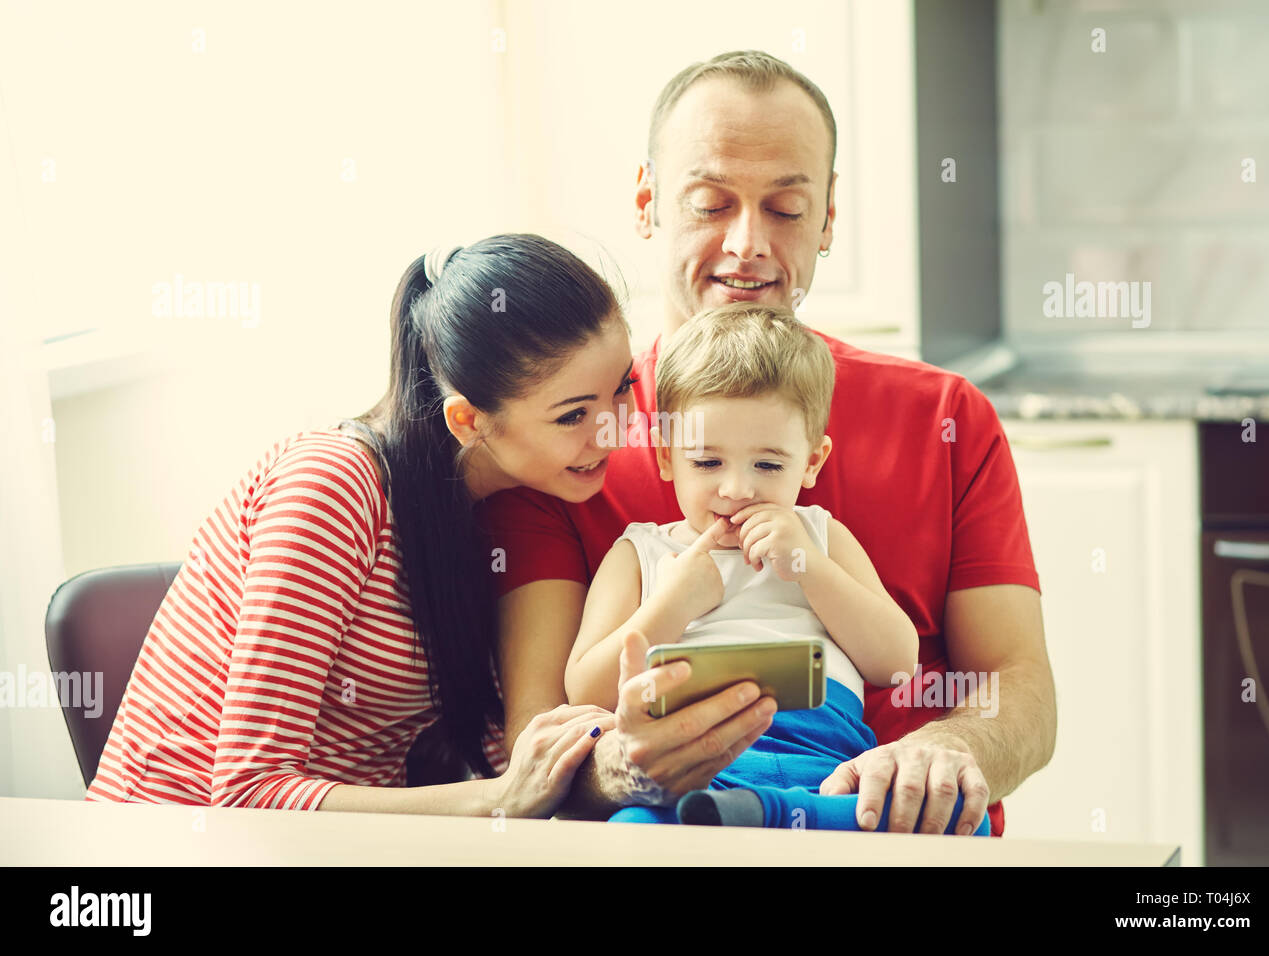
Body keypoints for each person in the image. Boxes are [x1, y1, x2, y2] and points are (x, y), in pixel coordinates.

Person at [477, 51, 1056, 836]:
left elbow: (1018, 687)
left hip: (891, 828)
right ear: (648, 202)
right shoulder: (566, 446)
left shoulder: (947, 416)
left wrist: (948, 746)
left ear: (827, 217)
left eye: (785, 209)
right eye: (710, 203)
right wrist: (629, 770)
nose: (747, 243)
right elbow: (538, 739)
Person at [85, 234, 636, 816]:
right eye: (574, 414)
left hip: (333, 848)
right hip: (176, 839)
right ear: (470, 420)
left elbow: (514, 752)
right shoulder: (334, 486)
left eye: (623, 387)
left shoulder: (505, 506)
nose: (614, 432)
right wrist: (501, 799)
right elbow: (249, 793)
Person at [563, 304, 990, 833]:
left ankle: (762, 814)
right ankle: (767, 815)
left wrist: (809, 568)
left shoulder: (822, 537)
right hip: (696, 760)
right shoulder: (640, 553)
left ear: (811, 462)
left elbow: (896, 663)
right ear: (666, 457)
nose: (737, 489)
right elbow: (585, 688)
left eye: (767, 464)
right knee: (633, 824)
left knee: (951, 820)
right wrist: (672, 606)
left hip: (828, 756)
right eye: (707, 462)